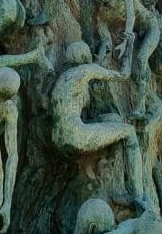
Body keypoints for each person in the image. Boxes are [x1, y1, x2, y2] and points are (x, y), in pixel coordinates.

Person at [50, 40, 143, 196]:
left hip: (58, 138)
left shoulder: (64, 78)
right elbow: (123, 75)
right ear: (85, 56)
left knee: (112, 118)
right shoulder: (86, 71)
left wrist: (100, 54)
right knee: (129, 131)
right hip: (76, 136)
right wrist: (130, 48)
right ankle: (139, 195)